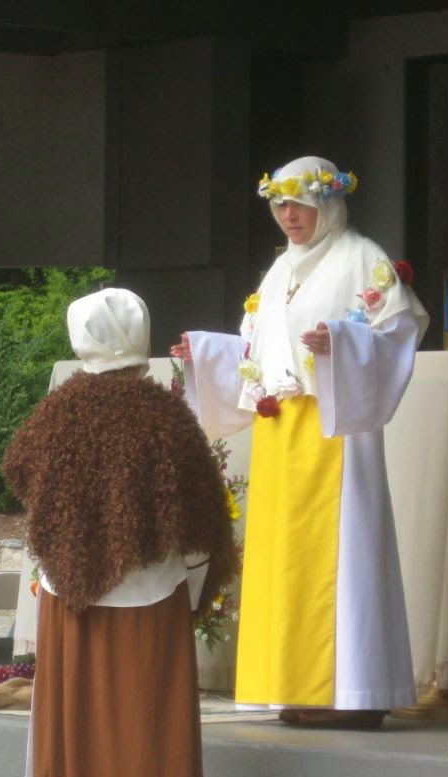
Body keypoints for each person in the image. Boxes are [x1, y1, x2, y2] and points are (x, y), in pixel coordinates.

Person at [171, 155, 429, 728]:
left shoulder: (363, 258)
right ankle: (293, 684)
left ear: (328, 204)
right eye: (280, 205)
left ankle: (350, 691)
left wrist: (339, 341)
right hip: (282, 427)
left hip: (335, 427)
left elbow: (399, 328)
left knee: (341, 554)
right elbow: (259, 348)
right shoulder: (280, 270)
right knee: (285, 562)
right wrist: (206, 354)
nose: (289, 215)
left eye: (300, 204)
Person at [2, 288, 238, 777]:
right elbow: (200, 510)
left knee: (79, 730)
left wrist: (74, 532)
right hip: (150, 595)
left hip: (70, 596)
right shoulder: (164, 415)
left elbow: (18, 469)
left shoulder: (57, 412)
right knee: (144, 729)